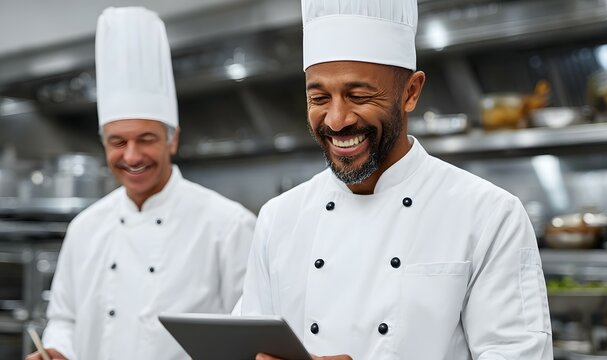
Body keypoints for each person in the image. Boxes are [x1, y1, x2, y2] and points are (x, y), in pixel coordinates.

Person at [240, 0, 553, 359]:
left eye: (359, 96)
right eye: (319, 97)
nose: (337, 120)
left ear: (411, 92)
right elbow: (248, 346)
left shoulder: (489, 215)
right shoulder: (278, 218)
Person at [26, 7, 256, 360]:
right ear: (104, 144)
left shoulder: (228, 225)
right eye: (118, 142)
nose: (132, 156)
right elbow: (64, 318)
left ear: (173, 139)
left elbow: (247, 334)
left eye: (145, 139)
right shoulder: (85, 228)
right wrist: (58, 349)